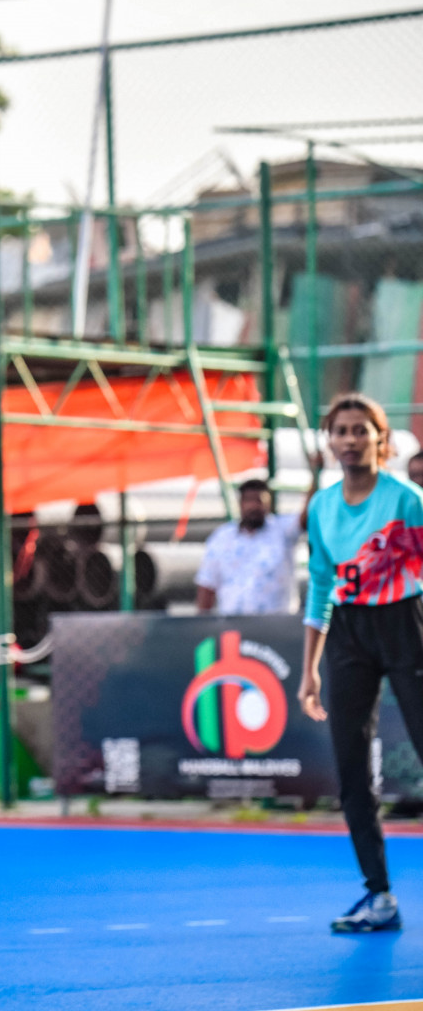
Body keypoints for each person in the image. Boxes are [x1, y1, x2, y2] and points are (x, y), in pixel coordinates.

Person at [298, 393, 423, 933]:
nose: (349, 440)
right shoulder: (322, 507)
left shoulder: (407, 500)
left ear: (380, 439)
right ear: (329, 441)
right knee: (351, 771)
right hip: (348, 635)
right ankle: (379, 897)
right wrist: (309, 669)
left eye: (360, 430)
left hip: (405, 625)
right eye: (340, 431)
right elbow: (321, 588)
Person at [194, 480, 303, 615]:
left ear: (268, 504)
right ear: (240, 504)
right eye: (249, 500)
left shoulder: (282, 530)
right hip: (233, 624)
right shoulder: (222, 537)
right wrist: (201, 626)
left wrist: (315, 474)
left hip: (276, 625)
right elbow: (207, 583)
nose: (253, 506)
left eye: (259, 501)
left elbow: (306, 517)